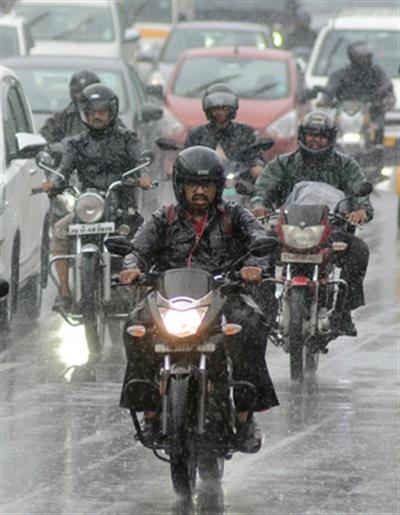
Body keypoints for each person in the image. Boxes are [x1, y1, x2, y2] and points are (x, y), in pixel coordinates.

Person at [119, 146, 279, 453]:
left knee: (251, 326)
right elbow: (136, 249)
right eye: (193, 184)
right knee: (135, 327)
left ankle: (245, 418)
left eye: (206, 185)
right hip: (169, 298)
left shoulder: (236, 216)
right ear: (180, 186)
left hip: (223, 293)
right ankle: (150, 412)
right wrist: (131, 269)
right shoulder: (162, 217)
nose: (200, 191)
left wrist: (255, 267)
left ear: (218, 187)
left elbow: (260, 239)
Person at [251, 111, 374, 337]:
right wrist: (259, 204)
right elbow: (263, 189)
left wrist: (360, 210)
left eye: (321, 136)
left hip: (329, 233)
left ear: (331, 138)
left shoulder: (345, 165)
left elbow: (360, 191)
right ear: (302, 136)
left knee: (358, 250)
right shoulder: (283, 163)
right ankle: (265, 310)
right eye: (310, 135)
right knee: (259, 249)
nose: (315, 140)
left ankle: (343, 311)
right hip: (288, 230)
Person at [42, 84, 153, 309]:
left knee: (142, 239)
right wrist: (54, 182)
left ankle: (139, 292)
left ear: (111, 112)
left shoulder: (126, 138)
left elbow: (140, 159)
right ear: (84, 113)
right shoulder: (77, 143)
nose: (97, 116)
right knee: (60, 231)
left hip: (122, 207)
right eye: (92, 112)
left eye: (102, 112)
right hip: (89, 208)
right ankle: (64, 291)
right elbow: (64, 169)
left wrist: (143, 176)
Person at [184, 84, 265, 179]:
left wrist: (257, 166)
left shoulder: (245, 132)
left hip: (241, 183)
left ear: (232, 110)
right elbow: (187, 158)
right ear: (208, 111)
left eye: (225, 109)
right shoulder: (197, 134)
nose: (220, 113)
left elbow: (255, 155)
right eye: (215, 109)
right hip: (205, 182)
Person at [322, 41, 395, 145]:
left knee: (378, 126)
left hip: (371, 110)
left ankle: (377, 148)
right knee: (327, 126)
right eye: (361, 57)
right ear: (352, 57)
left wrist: (388, 99)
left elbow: (387, 86)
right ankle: (330, 149)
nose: (364, 60)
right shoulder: (342, 74)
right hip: (346, 112)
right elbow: (330, 87)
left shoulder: (376, 73)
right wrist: (325, 99)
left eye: (366, 56)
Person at [40, 70, 101, 143]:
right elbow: (45, 141)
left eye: (83, 92)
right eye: (75, 91)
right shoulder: (61, 119)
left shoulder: (107, 119)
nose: (78, 96)